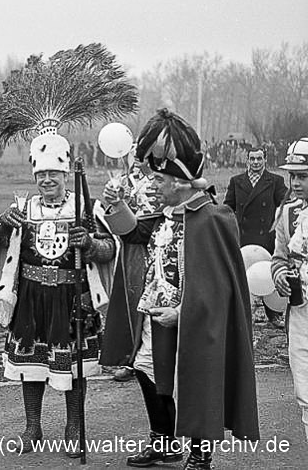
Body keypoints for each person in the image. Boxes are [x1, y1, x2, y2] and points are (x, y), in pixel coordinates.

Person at [102, 109, 259, 469]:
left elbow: (220, 291)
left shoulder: (214, 219)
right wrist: (115, 203)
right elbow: (135, 235)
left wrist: (183, 313)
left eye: (159, 179)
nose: (152, 185)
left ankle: (201, 455)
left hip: (192, 321)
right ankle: (163, 443)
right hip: (155, 315)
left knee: (197, 379)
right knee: (147, 372)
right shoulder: (166, 214)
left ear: (179, 181)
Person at [0, 127, 115, 457]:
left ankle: (73, 427)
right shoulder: (23, 208)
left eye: (53, 173)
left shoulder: (87, 207)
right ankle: (33, 427)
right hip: (31, 299)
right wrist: (1, 221)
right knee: (31, 365)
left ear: (66, 172)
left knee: (74, 367)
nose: (47, 180)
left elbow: (111, 247)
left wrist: (92, 244)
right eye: (41, 175)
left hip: (73, 300)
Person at [99, 156, 158, 384]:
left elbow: (144, 227)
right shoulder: (125, 181)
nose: (137, 158)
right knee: (130, 306)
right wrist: (116, 204)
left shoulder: (165, 185)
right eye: (135, 153)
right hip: (130, 253)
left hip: (154, 253)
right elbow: (129, 229)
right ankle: (130, 359)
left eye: (141, 154)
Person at [224, 146, 288, 326]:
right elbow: (228, 208)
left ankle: (274, 313)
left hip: (266, 239)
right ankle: (244, 315)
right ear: (247, 160)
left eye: (259, 159)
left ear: (265, 160)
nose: (256, 162)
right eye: (252, 159)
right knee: (242, 278)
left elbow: (285, 204)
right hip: (243, 239)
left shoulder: (275, 181)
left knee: (268, 276)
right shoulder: (236, 181)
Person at [271, 136, 308, 442]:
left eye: (303, 176)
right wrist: (281, 273)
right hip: (300, 312)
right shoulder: (286, 213)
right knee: (305, 393)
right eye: (293, 176)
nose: (296, 183)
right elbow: (279, 256)